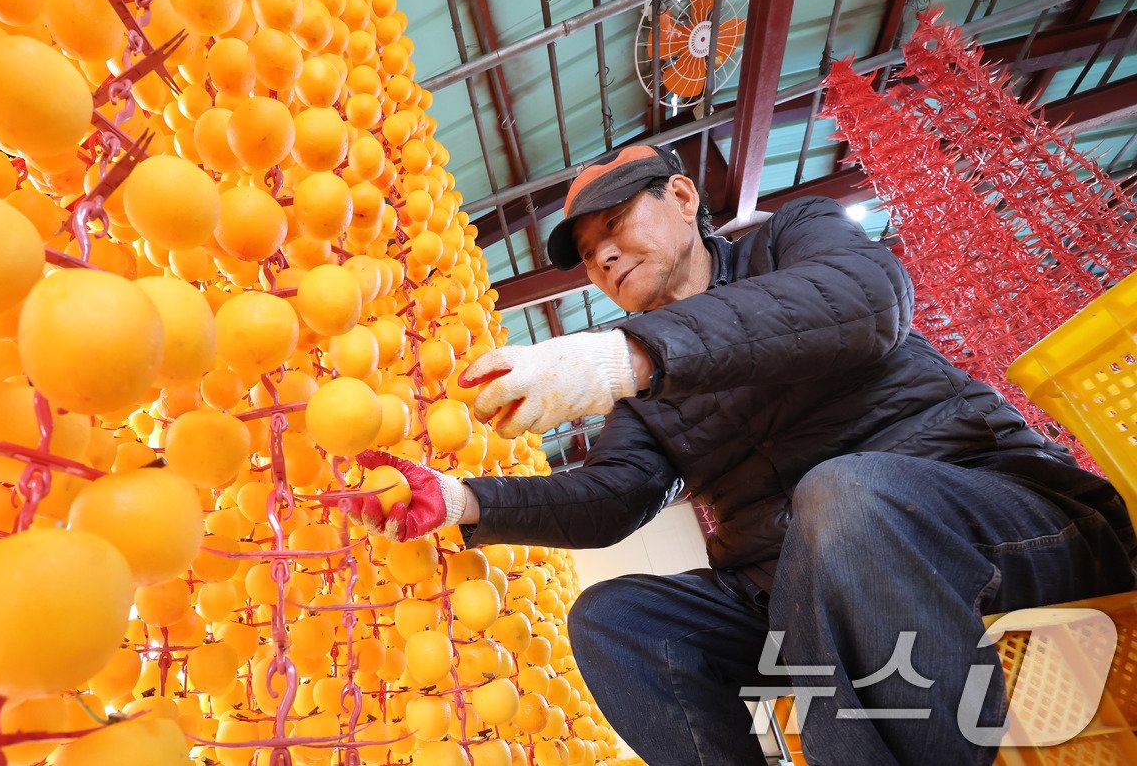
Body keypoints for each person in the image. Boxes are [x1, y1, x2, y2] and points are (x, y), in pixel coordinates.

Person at [348, 143, 1137, 766]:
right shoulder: (644, 390)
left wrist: (630, 357)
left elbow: (867, 301)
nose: (606, 260)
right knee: (616, 619)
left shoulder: (794, 239)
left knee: (841, 497)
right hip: (805, 589)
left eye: (616, 224)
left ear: (684, 199)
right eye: (590, 257)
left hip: (990, 523)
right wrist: (467, 501)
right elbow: (614, 495)